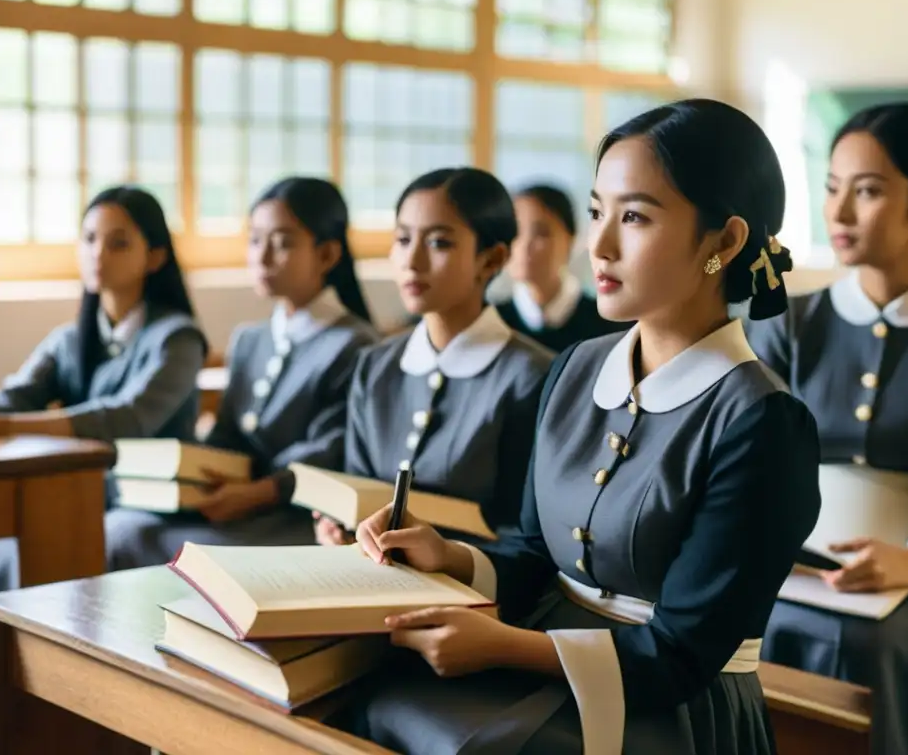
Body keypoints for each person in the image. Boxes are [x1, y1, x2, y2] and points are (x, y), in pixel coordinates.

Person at [333, 99, 822, 754]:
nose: (600, 245)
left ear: (725, 241)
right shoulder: (575, 369)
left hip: (663, 708)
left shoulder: (763, 423)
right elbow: (536, 552)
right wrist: (448, 555)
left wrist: (506, 645)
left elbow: (679, 655)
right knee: (368, 699)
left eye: (635, 217)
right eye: (597, 212)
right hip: (541, 653)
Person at [747, 101, 908, 755]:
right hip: (781, 557)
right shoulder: (785, 321)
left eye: (869, 191)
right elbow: (748, 451)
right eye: (832, 188)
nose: (841, 212)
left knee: (886, 640)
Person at [106, 177, 380, 569]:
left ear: (327, 254)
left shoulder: (356, 344)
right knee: (118, 524)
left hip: (299, 519)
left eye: (282, 243)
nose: (262, 257)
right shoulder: (250, 339)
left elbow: (332, 451)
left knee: (127, 536)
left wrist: (258, 493)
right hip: (235, 504)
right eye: (255, 240)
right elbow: (227, 436)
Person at [0, 185, 207, 592]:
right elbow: (14, 397)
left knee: (40, 547)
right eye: (90, 239)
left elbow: (126, 417)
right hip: (69, 492)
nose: (98, 254)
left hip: (149, 499)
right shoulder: (69, 339)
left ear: (155, 257)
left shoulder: (177, 339)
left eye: (118, 243)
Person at [312, 167, 554, 547]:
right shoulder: (375, 365)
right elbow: (357, 490)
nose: (413, 260)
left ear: (491, 260)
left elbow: (521, 531)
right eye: (403, 239)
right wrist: (342, 528)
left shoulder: (533, 375)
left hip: (472, 591)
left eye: (439, 243)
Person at [496, 184, 629, 351]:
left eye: (541, 232)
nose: (524, 245)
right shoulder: (491, 324)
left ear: (570, 239)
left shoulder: (610, 325)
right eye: (516, 232)